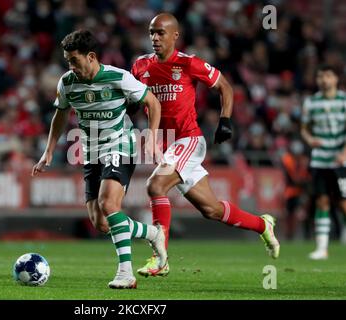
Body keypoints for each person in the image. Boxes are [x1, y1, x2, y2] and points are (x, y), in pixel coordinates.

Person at [130, 13, 280, 277]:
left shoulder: (189, 63)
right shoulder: (140, 66)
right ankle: (262, 225)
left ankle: (160, 259)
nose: (154, 38)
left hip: (188, 140)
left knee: (156, 185)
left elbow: (225, 86)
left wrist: (225, 120)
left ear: (175, 36)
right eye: (151, 32)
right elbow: (132, 101)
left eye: (160, 33)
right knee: (211, 209)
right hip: (166, 149)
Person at [32, 30, 167, 289]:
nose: (70, 66)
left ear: (91, 56)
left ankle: (126, 274)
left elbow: (152, 100)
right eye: (67, 61)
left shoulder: (118, 77)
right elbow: (60, 115)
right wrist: (48, 150)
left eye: (74, 60)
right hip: (91, 152)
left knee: (108, 203)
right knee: (101, 222)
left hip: (121, 145)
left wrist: (151, 135)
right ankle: (152, 232)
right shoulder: (68, 82)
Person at [301, 64, 346, 260]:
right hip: (320, 159)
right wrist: (310, 140)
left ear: (336, 79)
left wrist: (344, 152)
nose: (323, 80)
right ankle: (322, 247)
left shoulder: (344, 100)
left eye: (328, 76)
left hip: (341, 159)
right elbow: (304, 128)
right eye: (320, 76)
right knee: (321, 201)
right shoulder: (311, 102)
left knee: (343, 202)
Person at [280, 140, 310, 240]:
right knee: (288, 213)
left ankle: (305, 234)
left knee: (302, 213)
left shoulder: (304, 161)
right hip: (290, 191)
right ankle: (288, 234)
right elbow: (294, 178)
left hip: (301, 191)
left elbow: (307, 176)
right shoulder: (288, 160)